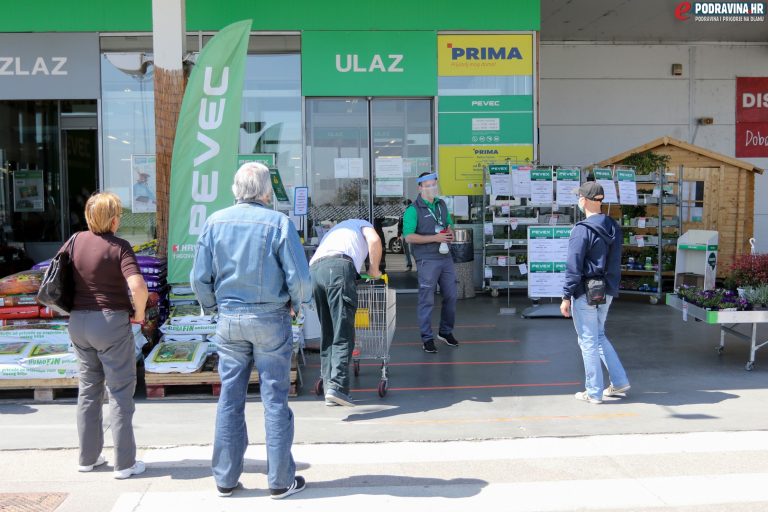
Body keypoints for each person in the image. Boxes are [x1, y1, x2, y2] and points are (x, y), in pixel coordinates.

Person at [192, 162, 311, 499]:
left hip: (230, 320)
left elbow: (198, 278)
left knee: (230, 399)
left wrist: (213, 308)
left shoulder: (214, 223)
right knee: (275, 400)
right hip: (271, 319)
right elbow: (300, 279)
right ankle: (279, 480)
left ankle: (226, 479)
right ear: (265, 192)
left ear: (235, 190)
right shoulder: (279, 223)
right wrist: (296, 304)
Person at [67, 192, 148, 479]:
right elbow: (138, 288)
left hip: (78, 323)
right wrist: (139, 315)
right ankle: (124, 463)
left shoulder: (74, 241)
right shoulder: (119, 247)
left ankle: (88, 458)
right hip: (111, 323)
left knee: (88, 390)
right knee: (120, 392)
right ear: (113, 219)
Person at [560, 182, 630, 404]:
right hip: (606, 290)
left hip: (585, 292)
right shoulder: (613, 226)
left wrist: (565, 296)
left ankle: (593, 392)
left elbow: (574, 266)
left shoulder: (581, 230)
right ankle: (619, 381)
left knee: (588, 340)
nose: (578, 201)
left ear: (585, 201)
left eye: (579, 197)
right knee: (598, 335)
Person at [309, 219, 382, 407]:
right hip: (338, 267)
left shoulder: (336, 231)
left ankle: (329, 387)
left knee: (328, 331)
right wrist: (374, 269)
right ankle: (339, 388)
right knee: (343, 331)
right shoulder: (362, 224)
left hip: (315, 270)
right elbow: (374, 241)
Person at [403, 172, 459, 353]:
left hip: (445, 257)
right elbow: (409, 237)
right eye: (427, 186)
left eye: (434, 185)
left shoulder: (441, 204)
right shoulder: (413, 210)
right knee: (427, 300)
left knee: (451, 296)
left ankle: (445, 332)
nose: (431, 188)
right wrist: (434, 237)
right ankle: (427, 338)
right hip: (427, 259)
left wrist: (449, 231)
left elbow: (449, 224)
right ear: (420, 187)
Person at [398, 200, 414, 271]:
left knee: (413, 250)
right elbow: (400, 224)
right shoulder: (403, 213)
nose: (403, 207)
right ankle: (409, 265)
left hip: (412, 234)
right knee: (407, 250)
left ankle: (415, 265)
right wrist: (398, 234)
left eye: (404, 205)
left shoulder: (412, 212)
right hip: (406, 234)